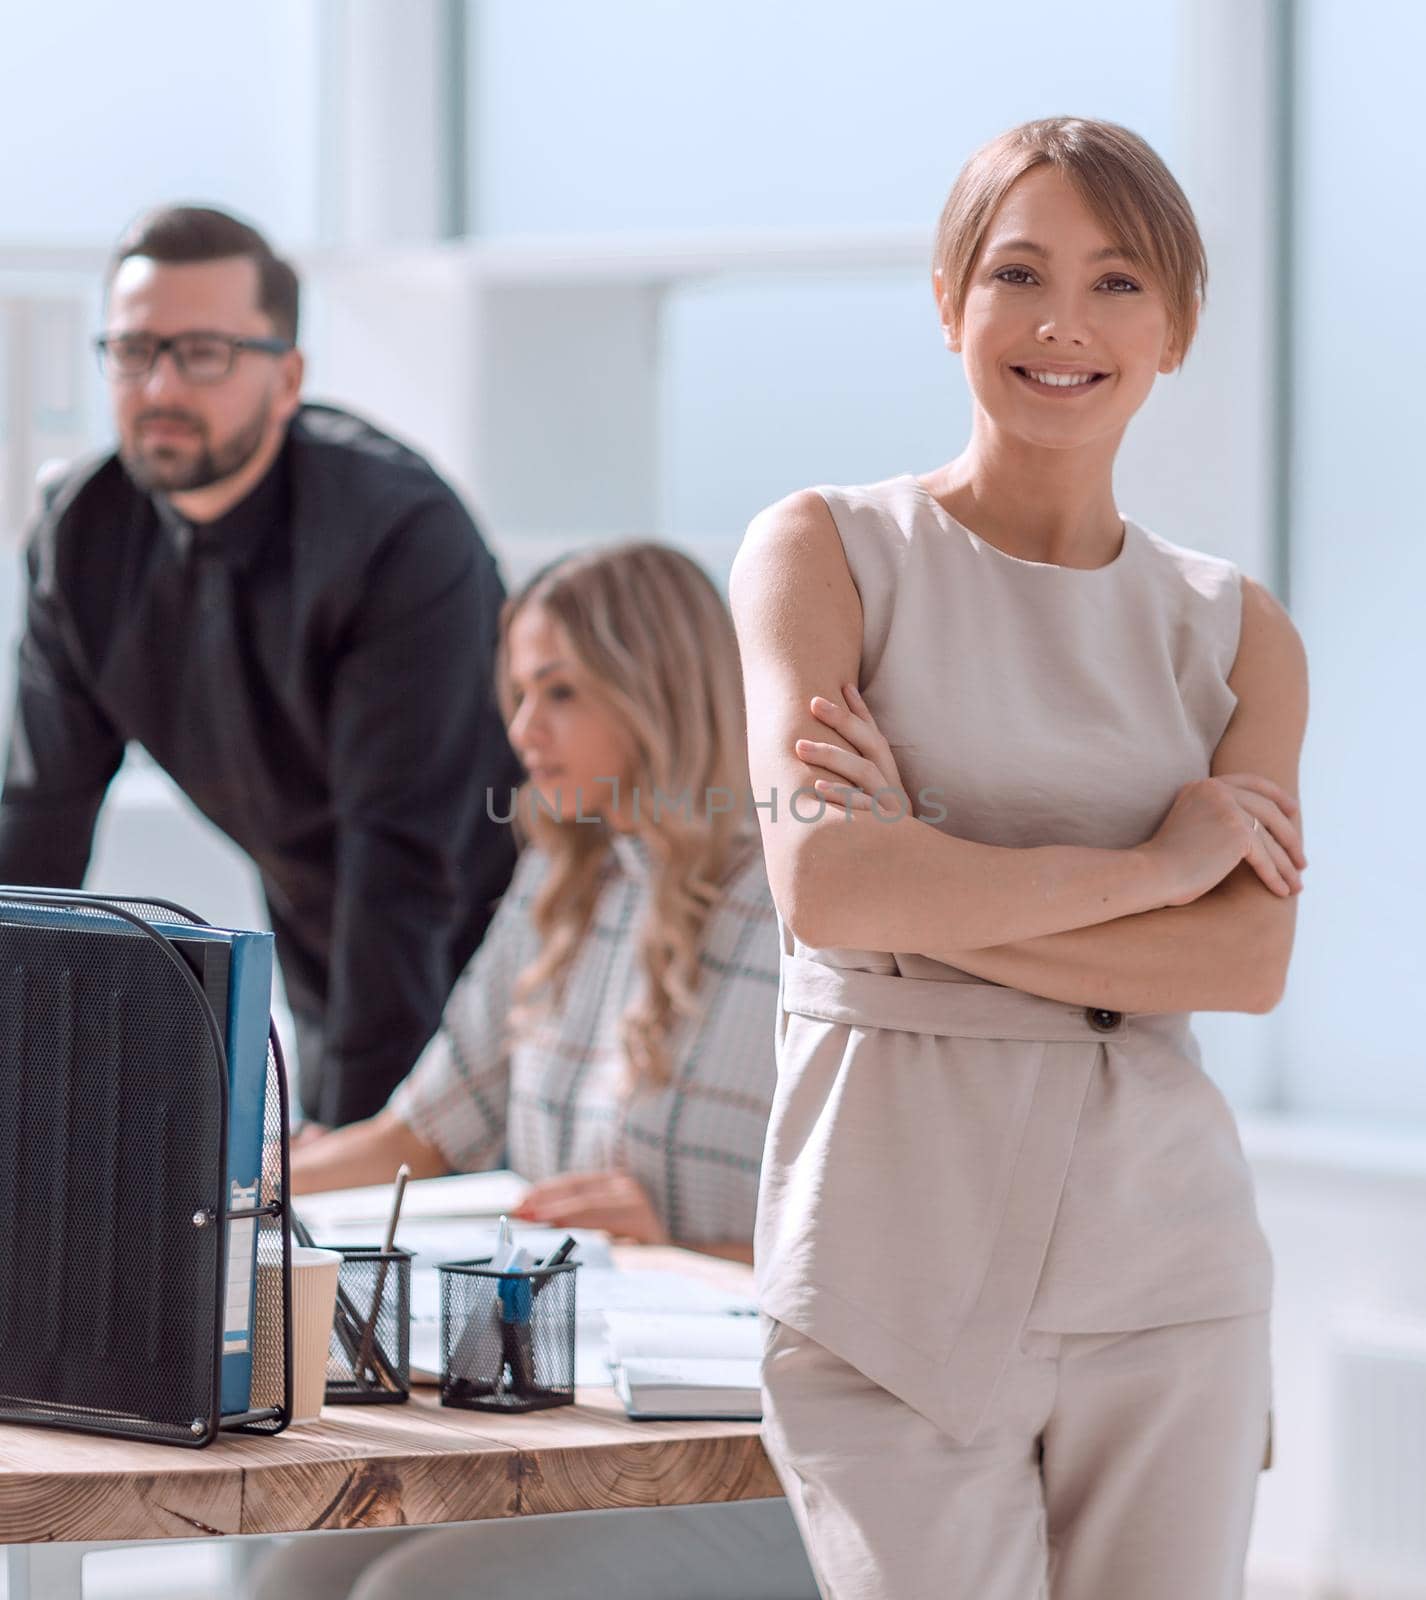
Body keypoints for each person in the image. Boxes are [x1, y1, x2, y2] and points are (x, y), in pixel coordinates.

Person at [730, 116, 1309, 1599]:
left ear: (1174, 328)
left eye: (1119, 283)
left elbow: (1241, 965)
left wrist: (922, 872)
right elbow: (827, 888)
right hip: (882, 1261)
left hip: (1164, 1266)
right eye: (1017, 273)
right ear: (946, 299)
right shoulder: (822, 554)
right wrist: (1153, 864)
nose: (1064, 323)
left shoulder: (1235, 629)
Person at [255, 543, 818, 1600]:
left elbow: (894, 1247)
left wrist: (674, 1240)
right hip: (579, 1421)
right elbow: (426, 1128)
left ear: (656, 686)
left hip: (757, 1453)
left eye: (559, 690)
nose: (522, 728)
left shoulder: (810, 909)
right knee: (288, 1576)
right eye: (517, 691)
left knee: (409, 1595)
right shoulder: (568, 880)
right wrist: (233, 1186)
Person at [0, 204, 521, 1128]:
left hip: (498, 968)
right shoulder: (80, 540)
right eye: (131, 350)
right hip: (331, 964)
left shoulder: (398, 534)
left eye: (203, 353)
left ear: (287, 378)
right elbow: (36, 839)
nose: (159, 383)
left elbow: (401, 860)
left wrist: (356, 1144)